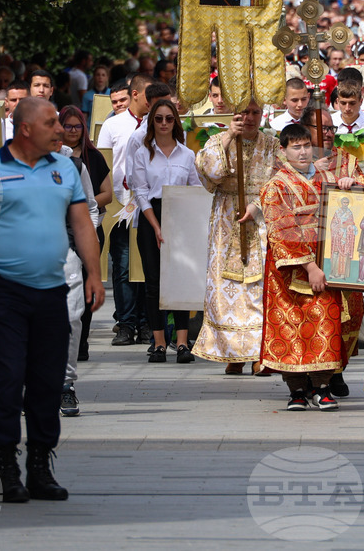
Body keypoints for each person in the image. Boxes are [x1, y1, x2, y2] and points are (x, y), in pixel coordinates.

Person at [0, 97, 104, 502]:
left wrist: (94, 273)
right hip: (5, 292)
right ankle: (6, 464)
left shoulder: (65, 168)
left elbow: (82, 224)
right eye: (51, 122)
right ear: (25, 129)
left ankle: (39, 465)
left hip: (52, 291)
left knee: (47, 380)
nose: (60, 129)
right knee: (5, 378)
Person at [260, 123, 346, 411]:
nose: (303, 152)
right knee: (291, 328)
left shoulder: (328, 178)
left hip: (327, 265)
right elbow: (281, 230)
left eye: (307, 146)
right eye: (296, 147)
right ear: (283, 151)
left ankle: (322, 388)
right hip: (289, 272)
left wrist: (349, 186)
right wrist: (310, 268)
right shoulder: (276, 186)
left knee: (326, 323)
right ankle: (296, 390)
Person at [192, 101, 280, 374]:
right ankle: (233, 352)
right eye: (244, 113)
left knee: (258, 288)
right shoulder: (219, 140)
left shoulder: (273, 145)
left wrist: (258, 206)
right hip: (227, 219)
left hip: (261, 220)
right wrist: (230, 136)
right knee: (226, 288)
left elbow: (281, 182)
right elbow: (211, 173)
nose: (249, 118)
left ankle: (259, 353)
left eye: (255, 112)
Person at [127, 99, 202, 363]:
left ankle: (182, 342)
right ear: (152, 122)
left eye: (169, 118)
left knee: (179, 279)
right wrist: (157, 226)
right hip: (151, 215)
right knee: (153, 282)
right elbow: (140, 192)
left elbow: (195, 186)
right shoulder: (142, 154)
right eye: (158, 118)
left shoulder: (187, 154)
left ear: (175, 122)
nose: (163, 123)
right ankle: (159, 343)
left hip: (180, 215)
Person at [300, 104, 364, 397]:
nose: (328, 133)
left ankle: (337, 368)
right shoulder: (296, 161)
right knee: (312, 313)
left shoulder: (347, 161)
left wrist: (355, 185)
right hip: (308, 251)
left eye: (331, 128)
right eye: (322, 128)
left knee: (350, 311)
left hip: (341, 249)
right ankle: (310, 374)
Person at [97, 73, 151, 346]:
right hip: (121, 204)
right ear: (136, 94)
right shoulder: (113, 125)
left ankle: (147, 323)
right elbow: (103, 164)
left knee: (148, 266)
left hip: (152, 204)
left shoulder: (159, 123)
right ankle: (126, 323)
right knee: (123, 266)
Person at [59, 106, 111, 362]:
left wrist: (79, 212)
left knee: (85, 286)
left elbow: (105, 195)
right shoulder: (49, 159)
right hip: (56, 234)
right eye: (67, 126)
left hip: (86, 230)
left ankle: (81, 341)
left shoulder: (91, 158)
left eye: (77, 126)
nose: (72, 131)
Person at [328, 197, 357, 279]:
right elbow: (333, 224)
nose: (345, 204)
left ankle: (342, 274)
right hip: (337, 236)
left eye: (347, 202)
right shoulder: (337, 212)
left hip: (346, 237)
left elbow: (351, 224)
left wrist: (348, 227)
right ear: (341, 203)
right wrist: (339, 226)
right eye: (344, 202)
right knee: (335, 253)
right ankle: (334, 273)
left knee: (344, 254)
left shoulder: (349, 213)